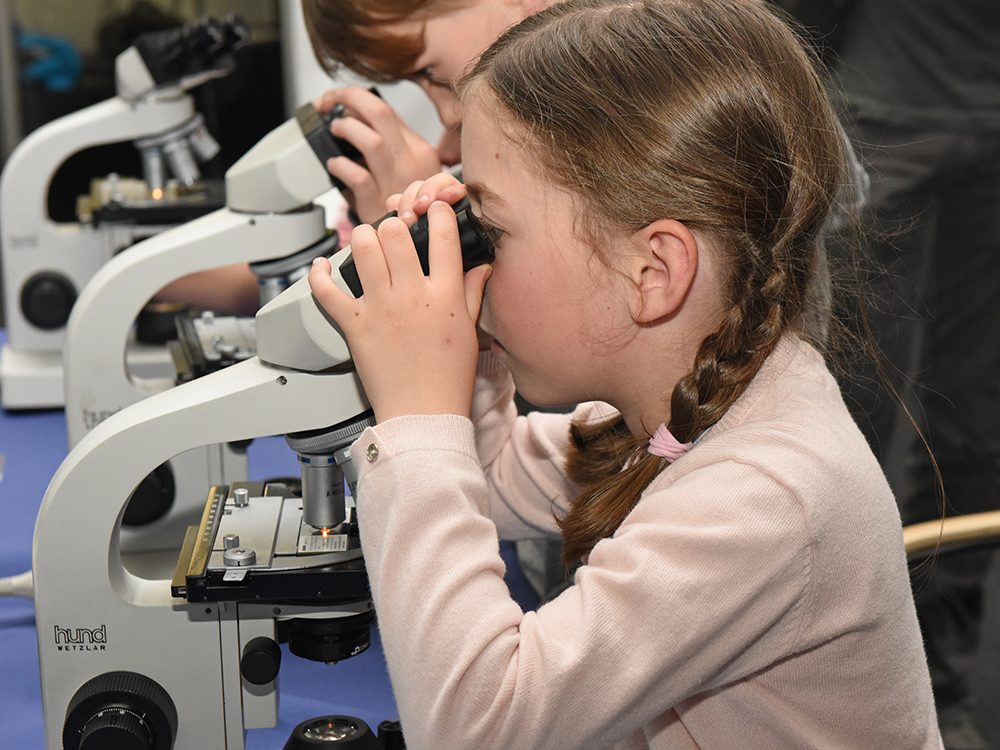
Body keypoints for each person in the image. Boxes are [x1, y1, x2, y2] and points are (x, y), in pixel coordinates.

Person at [306, 0, 942, 747]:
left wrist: (416, 419)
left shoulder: (766, 496)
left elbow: (476, 725)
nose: (474, 257)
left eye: (490, 231)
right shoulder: (685, 414)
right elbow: (500, 475)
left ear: (652, 271)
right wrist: (460, 342)